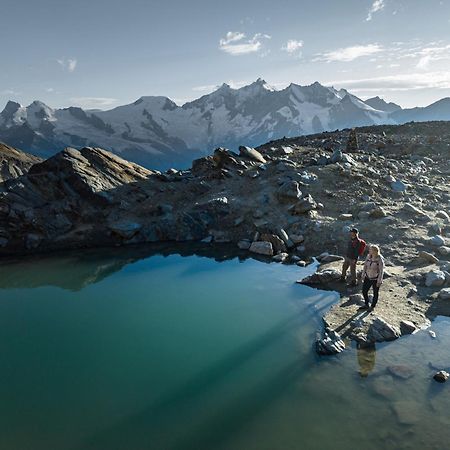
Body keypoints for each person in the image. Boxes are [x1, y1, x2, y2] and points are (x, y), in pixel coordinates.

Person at [361, 245, 384, 310]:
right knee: (364, 291)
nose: (369, 250)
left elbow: (381, 270)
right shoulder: (368, 257)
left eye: (370, 249)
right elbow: (365, 266)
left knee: (375, 293)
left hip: (375, 279)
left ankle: (372, 306)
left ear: (374, 251)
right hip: (367, 277)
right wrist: (363, 274)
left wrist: (379, 280)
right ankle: (366, 304)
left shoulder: (379, 259)